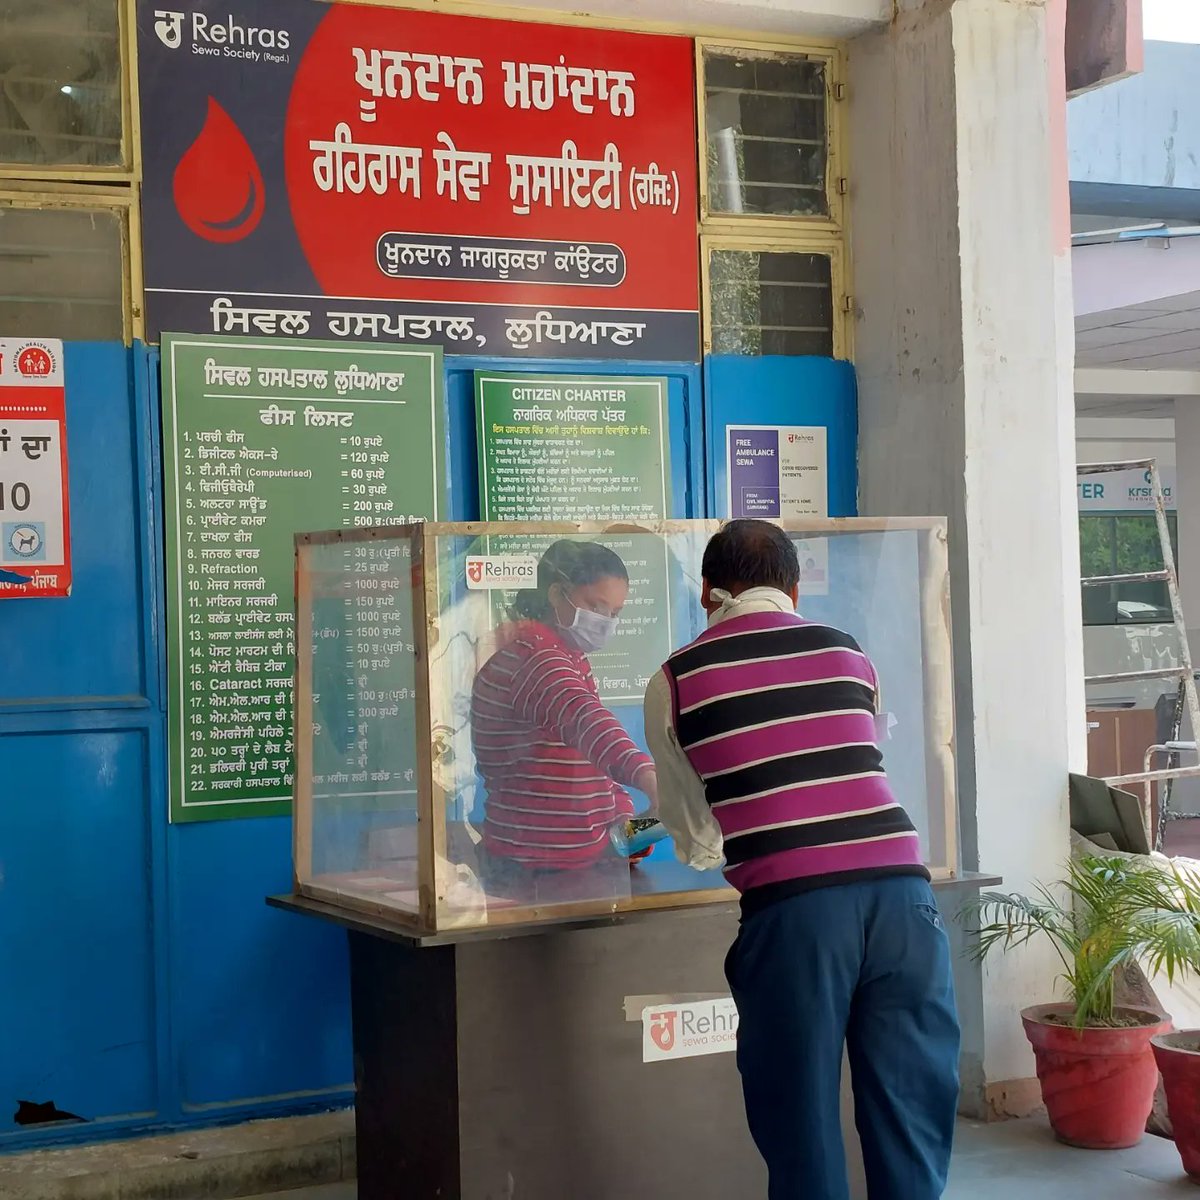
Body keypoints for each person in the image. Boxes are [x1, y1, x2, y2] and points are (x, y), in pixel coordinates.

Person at [643, 519, 959, 1200]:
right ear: (792, 588)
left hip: (796, 912)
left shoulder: (678, 677)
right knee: (910, 1109)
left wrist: (717, 847)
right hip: (906, 896)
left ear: (707, 592)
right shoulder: (848, 652)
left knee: (801, 1120)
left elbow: (697, 831)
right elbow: (863, 752)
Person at [471, 539, 657, 872]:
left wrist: (623, 816)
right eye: (596, 607)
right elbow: (584, 718)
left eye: (615, 613)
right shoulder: (534, 656)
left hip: (585, 858)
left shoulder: (568, 656)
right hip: (535, 869)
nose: (606, 622)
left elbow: (591, 754)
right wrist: (649, 777)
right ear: (557, 594)